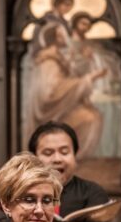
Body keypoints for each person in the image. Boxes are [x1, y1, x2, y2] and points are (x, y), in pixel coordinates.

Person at [0, 121, 109, 222]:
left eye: (64, 152)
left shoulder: (93, 192)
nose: (57, 159)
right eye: (48, 153)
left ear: (75, 155)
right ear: (34, 158)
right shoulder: (19, 189)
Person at [25, 22, 106, 158]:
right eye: (61, 34)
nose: (65, 37)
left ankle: (74, 160)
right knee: (91, 118)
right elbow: (51, 93)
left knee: (93, 114)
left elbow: (68, 76)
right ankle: (71, 158)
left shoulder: (58, 57)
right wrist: (88, 79)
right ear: (54, 38)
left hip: (60, 108)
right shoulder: (49, 61)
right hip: (50, 113)